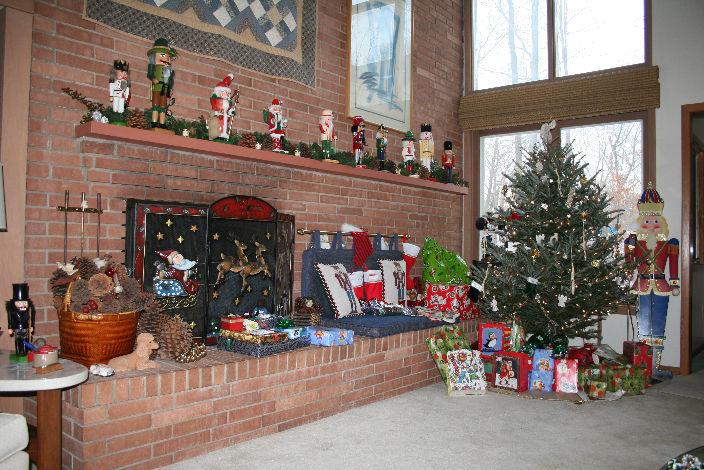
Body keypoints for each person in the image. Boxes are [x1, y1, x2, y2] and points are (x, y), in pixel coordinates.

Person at [625, 182, 680, 379]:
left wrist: (675, 283)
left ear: (661, 222)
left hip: (662, 286)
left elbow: (673, 265)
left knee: (658, 326)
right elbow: (629, 263)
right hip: (641, 285)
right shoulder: (634, 242)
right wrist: (629, 248)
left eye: (654, 221)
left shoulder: (670, 243)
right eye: (646, 221)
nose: (651, 225)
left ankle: (654, 368)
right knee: (643, 326)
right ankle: (642, 367)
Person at [146, 38, 177, 127]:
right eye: (162, 55)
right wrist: (153, 78)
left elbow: (170, 80)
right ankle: (154, 121)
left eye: (167, 56)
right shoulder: (154, 66)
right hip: (157, 87)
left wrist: (170, 88)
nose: (165, 58)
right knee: (155, 104)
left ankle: (162, 123)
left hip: (165, 88)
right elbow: (150, 74)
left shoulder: (169, 70)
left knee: (163, 105)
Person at [5, 283, 35, 357]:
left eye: (24, 302)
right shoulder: (12, 311)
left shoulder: (29, 311)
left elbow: (31, 318)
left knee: (25, 340)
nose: (22, 305)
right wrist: (10, 327)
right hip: (17, 328)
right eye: (19, 303)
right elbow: (10, 319)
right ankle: (18, 352)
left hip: (25, 328)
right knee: (18, 340)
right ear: (14, 303)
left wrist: (32, 326)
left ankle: (25, 352)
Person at [209, 73, 238, 141]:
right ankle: (218, 135)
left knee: (224, 126)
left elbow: (228, 110)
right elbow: (214, 110)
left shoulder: (228, 103)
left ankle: (224, 134)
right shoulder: (216, 101)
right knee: (218, 126)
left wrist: (231, 112)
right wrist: (217, 114)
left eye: (227, 93)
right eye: (225, 93)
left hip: (225, 118)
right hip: (219, 117)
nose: (226, 95)